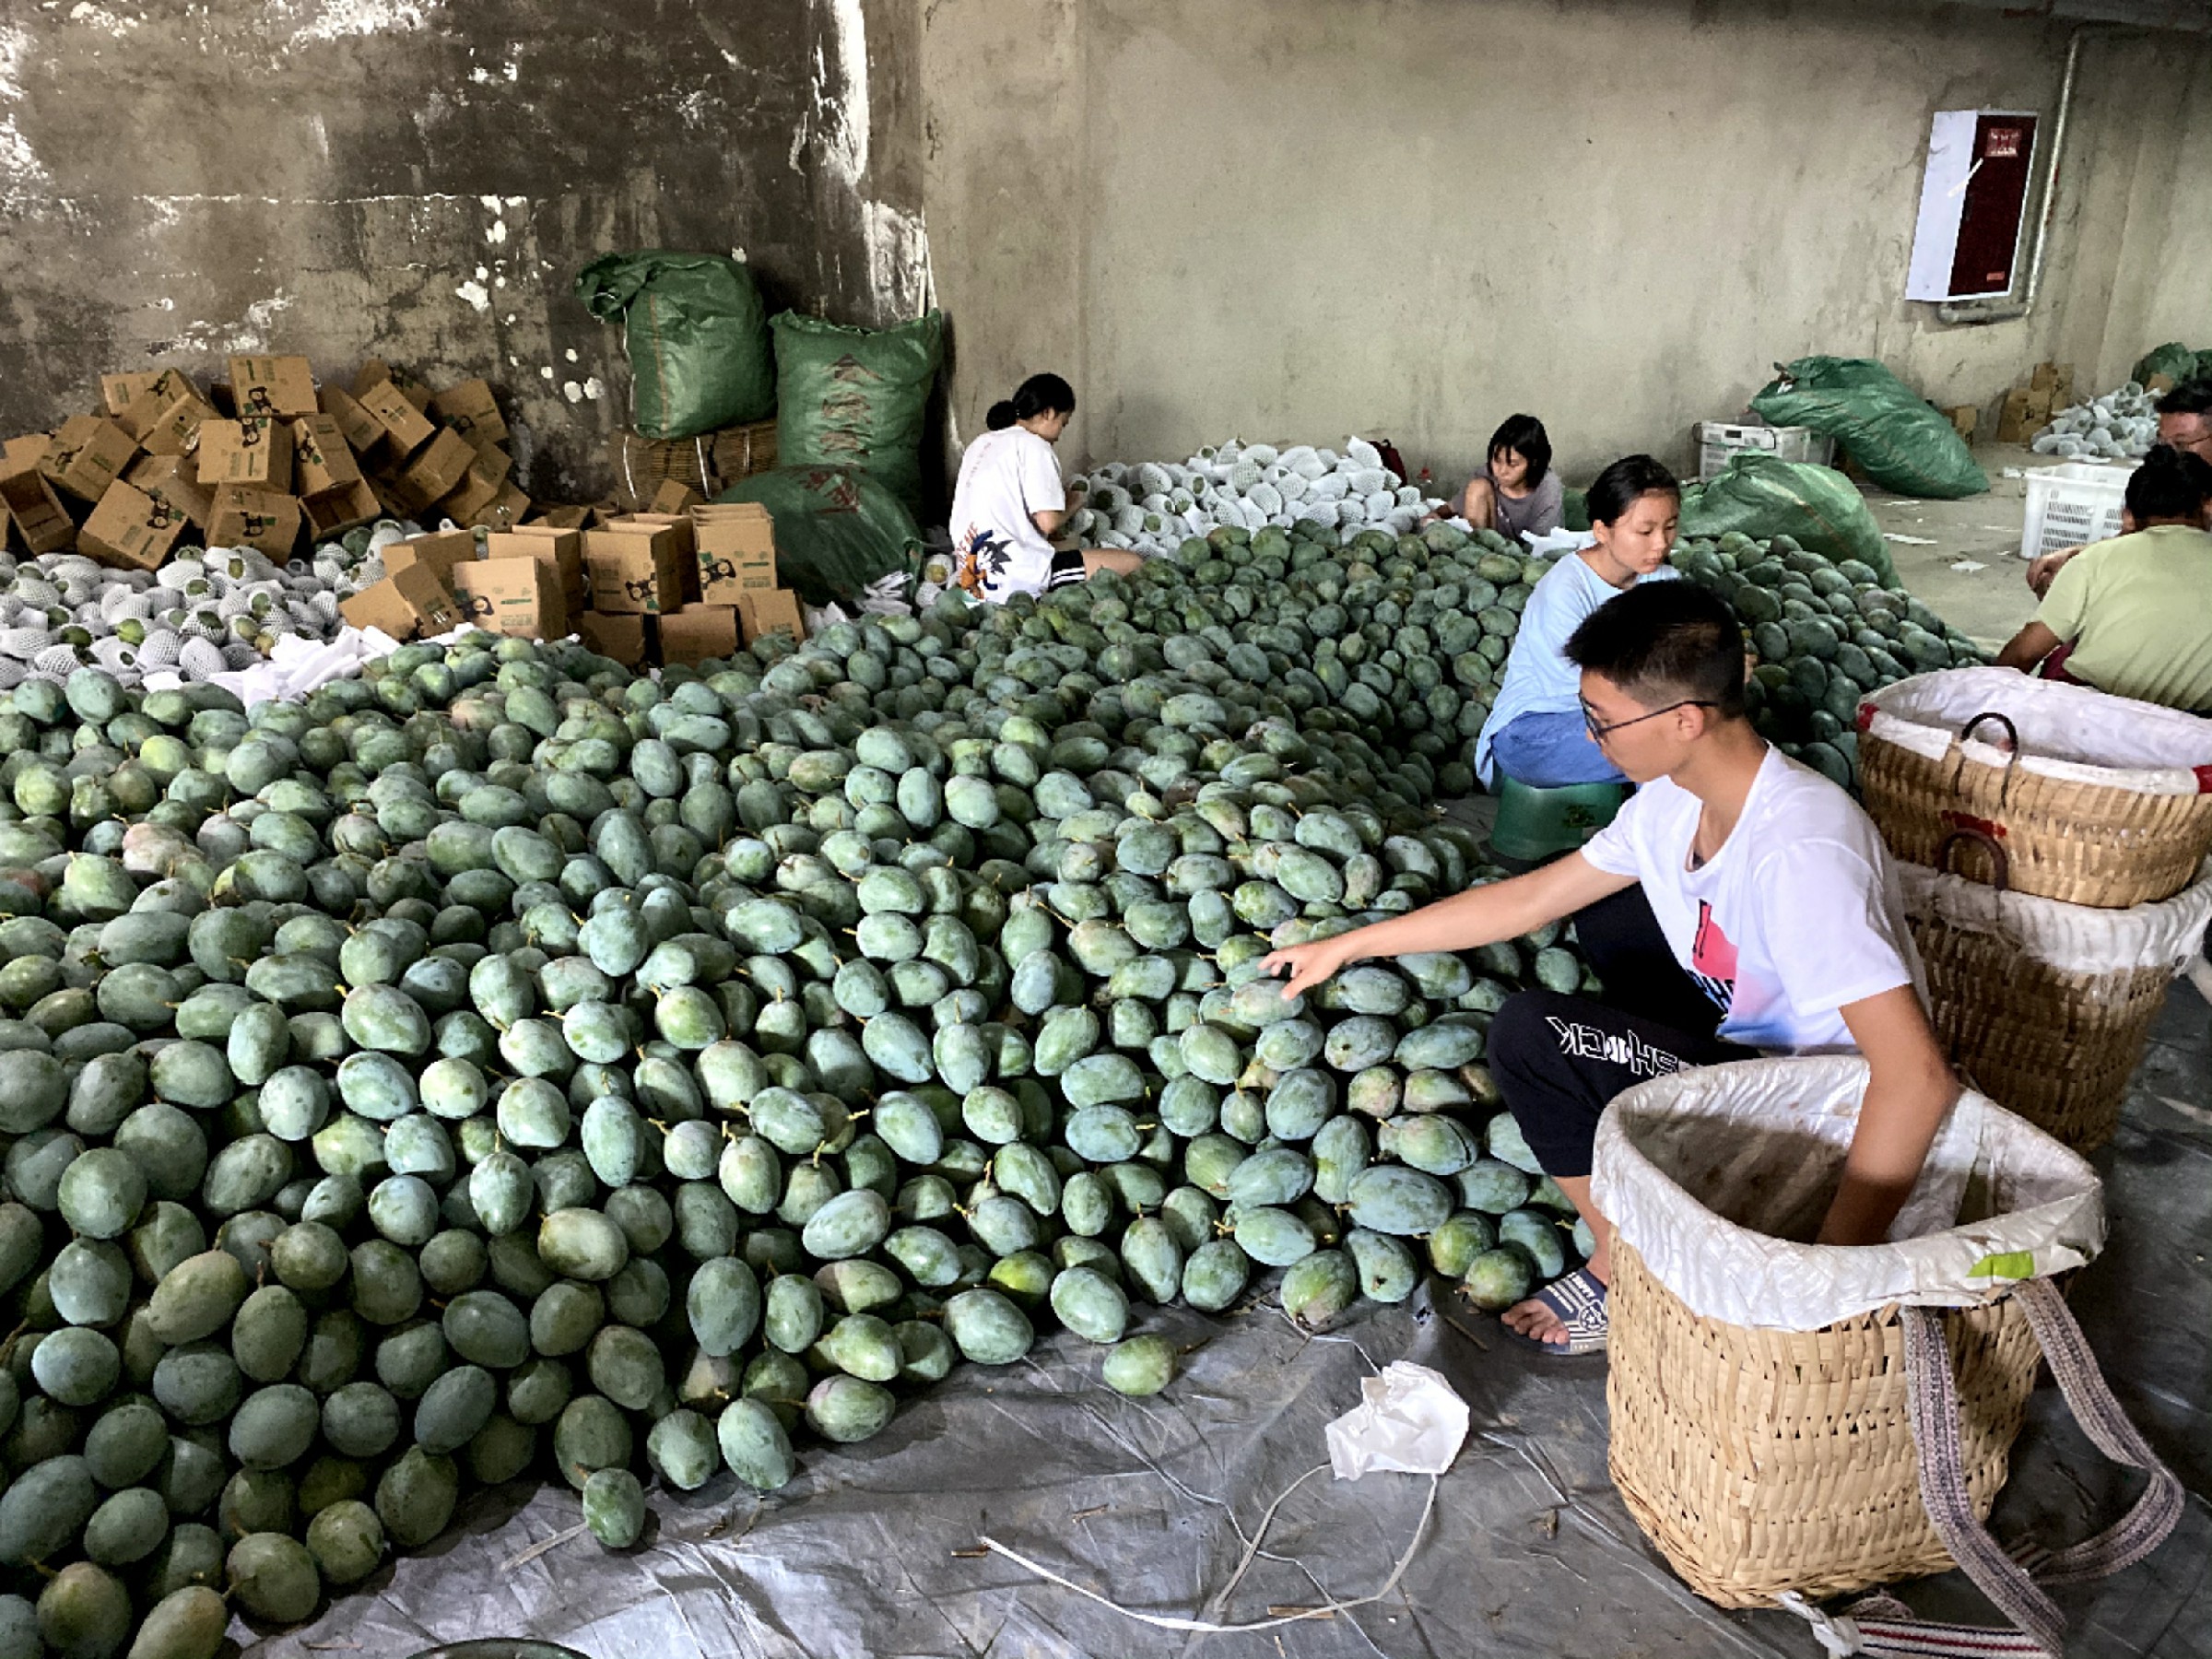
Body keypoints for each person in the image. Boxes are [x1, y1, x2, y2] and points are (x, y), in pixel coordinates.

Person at [1264, 582, 1956, 1355]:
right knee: (1609, 913)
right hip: (1750, 1036)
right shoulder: (1673, 800)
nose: (1591, 738)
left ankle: (1620, 1260)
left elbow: (1917, 1078)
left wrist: (1823, 1275)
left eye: (1603, 721)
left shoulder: (1801, 852)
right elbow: (1531, 899)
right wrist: (1350, 945)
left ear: (1685, 720)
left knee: (1529, 1036)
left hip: (1812, 1110)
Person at [1472, 454, 1681, 789]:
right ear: (1602, 531)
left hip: (1626, 721)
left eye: (1670, 527)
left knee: (1696, 729)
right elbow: (1590, 692)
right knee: (1669, 737)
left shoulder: (1665, 582)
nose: (1661, 543)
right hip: (1532, 734)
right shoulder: (1566, 588)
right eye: (1645, 531)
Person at [1994, 444, 2212, 712]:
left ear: (2129, 514)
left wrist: (1983, 699)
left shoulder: (2094, 560)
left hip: (2088, 713)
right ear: (2207, 505)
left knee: (2064, 651)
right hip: (2194, 726)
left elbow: (2025, 653)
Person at [950, 374, 1143, 602]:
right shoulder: (1035, 446)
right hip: (1014, 579)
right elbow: (1048, 523)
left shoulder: (981, 443)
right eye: (1063, 423)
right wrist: (1073, 503)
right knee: (1132, 563)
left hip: (971, 575)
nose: (1060, 435)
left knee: (1063, 547)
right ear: (1048, 413)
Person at [2025, 378, 2212, 596]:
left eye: (2180, 444)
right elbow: (2135, 540)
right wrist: (2074, 557)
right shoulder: (2166, 482)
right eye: (2162, 443)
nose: (2168, 453)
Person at [1455, 415, 1564, 544]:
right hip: (1489, 552)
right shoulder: (1487, 474)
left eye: (1512, 464)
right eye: (1497, 461)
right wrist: (1437, 516)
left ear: (1533, 462)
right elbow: (1452, 508)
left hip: (1532, 552)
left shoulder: (1548, 488)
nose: (1502, 471)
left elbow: (1542, 545)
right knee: (1477, 487)